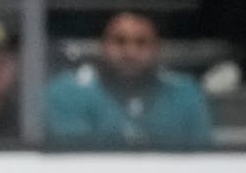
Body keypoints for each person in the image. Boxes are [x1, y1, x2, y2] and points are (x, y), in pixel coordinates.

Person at [44, 10, 215, 150]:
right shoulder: (66, 92)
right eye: (120, 41)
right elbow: (74, 159)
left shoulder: (184, 93)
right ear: (102, 46)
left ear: (157, 48)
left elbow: (202, 156)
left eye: (141, 43)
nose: (130, 52)